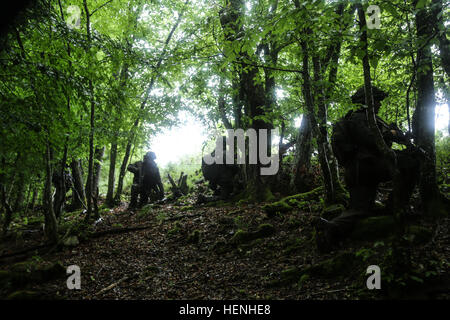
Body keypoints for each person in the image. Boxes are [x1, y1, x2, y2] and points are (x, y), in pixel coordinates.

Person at [315, 86, 421, 252]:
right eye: (376, 100)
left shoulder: (360, 118)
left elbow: (379, 140)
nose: (379, 104)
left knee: (360, 209)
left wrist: (399, 136)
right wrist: (392, 134)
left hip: (356, 172)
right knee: (412, 162)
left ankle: (331, 228)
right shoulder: (360, 118)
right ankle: (395, 207)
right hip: (367, 167)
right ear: (367, 100)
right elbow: (371, 140)